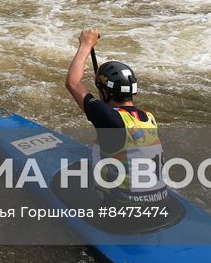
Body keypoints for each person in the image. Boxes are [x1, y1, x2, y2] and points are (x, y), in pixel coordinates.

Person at [65, 28, 167, 202]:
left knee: (70, 179)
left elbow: (73, 83)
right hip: (159, 201)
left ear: (105, 93)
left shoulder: (110, 118)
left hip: (122, 210)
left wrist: (86, 44)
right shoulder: (148, 118)